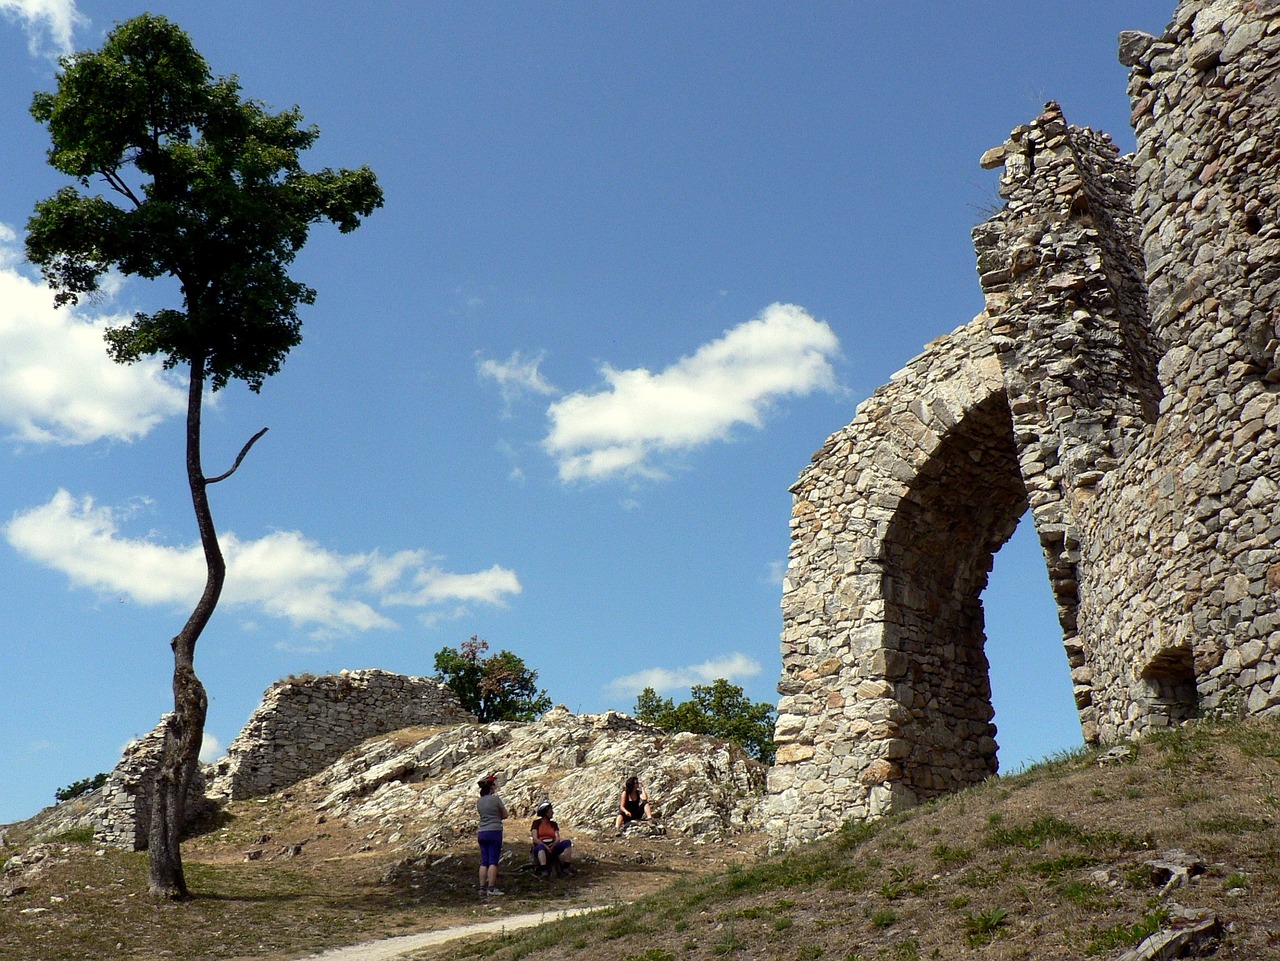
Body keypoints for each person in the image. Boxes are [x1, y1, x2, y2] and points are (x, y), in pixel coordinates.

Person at [476, 774, 508, 895]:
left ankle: (482, 887)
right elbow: (505, 815)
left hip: (482, 831)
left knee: (484, 861)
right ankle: (491, 888)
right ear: (491, 787)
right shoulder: (495, 799)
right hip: (494, 830)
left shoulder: (479, 802)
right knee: (493, 861)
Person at [529, 800, 575, 877]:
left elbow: (557, 838)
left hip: (552, 845)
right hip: (541, 846)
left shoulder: (553, 824)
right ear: (545, 812)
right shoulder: (536, 823)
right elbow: (535, 839)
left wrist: (553, 845)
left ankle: (566, 867)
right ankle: (543, 870)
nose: (552, 813)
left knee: (567, 843)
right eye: (551, 811)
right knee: (540, 848)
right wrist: (546, 847)